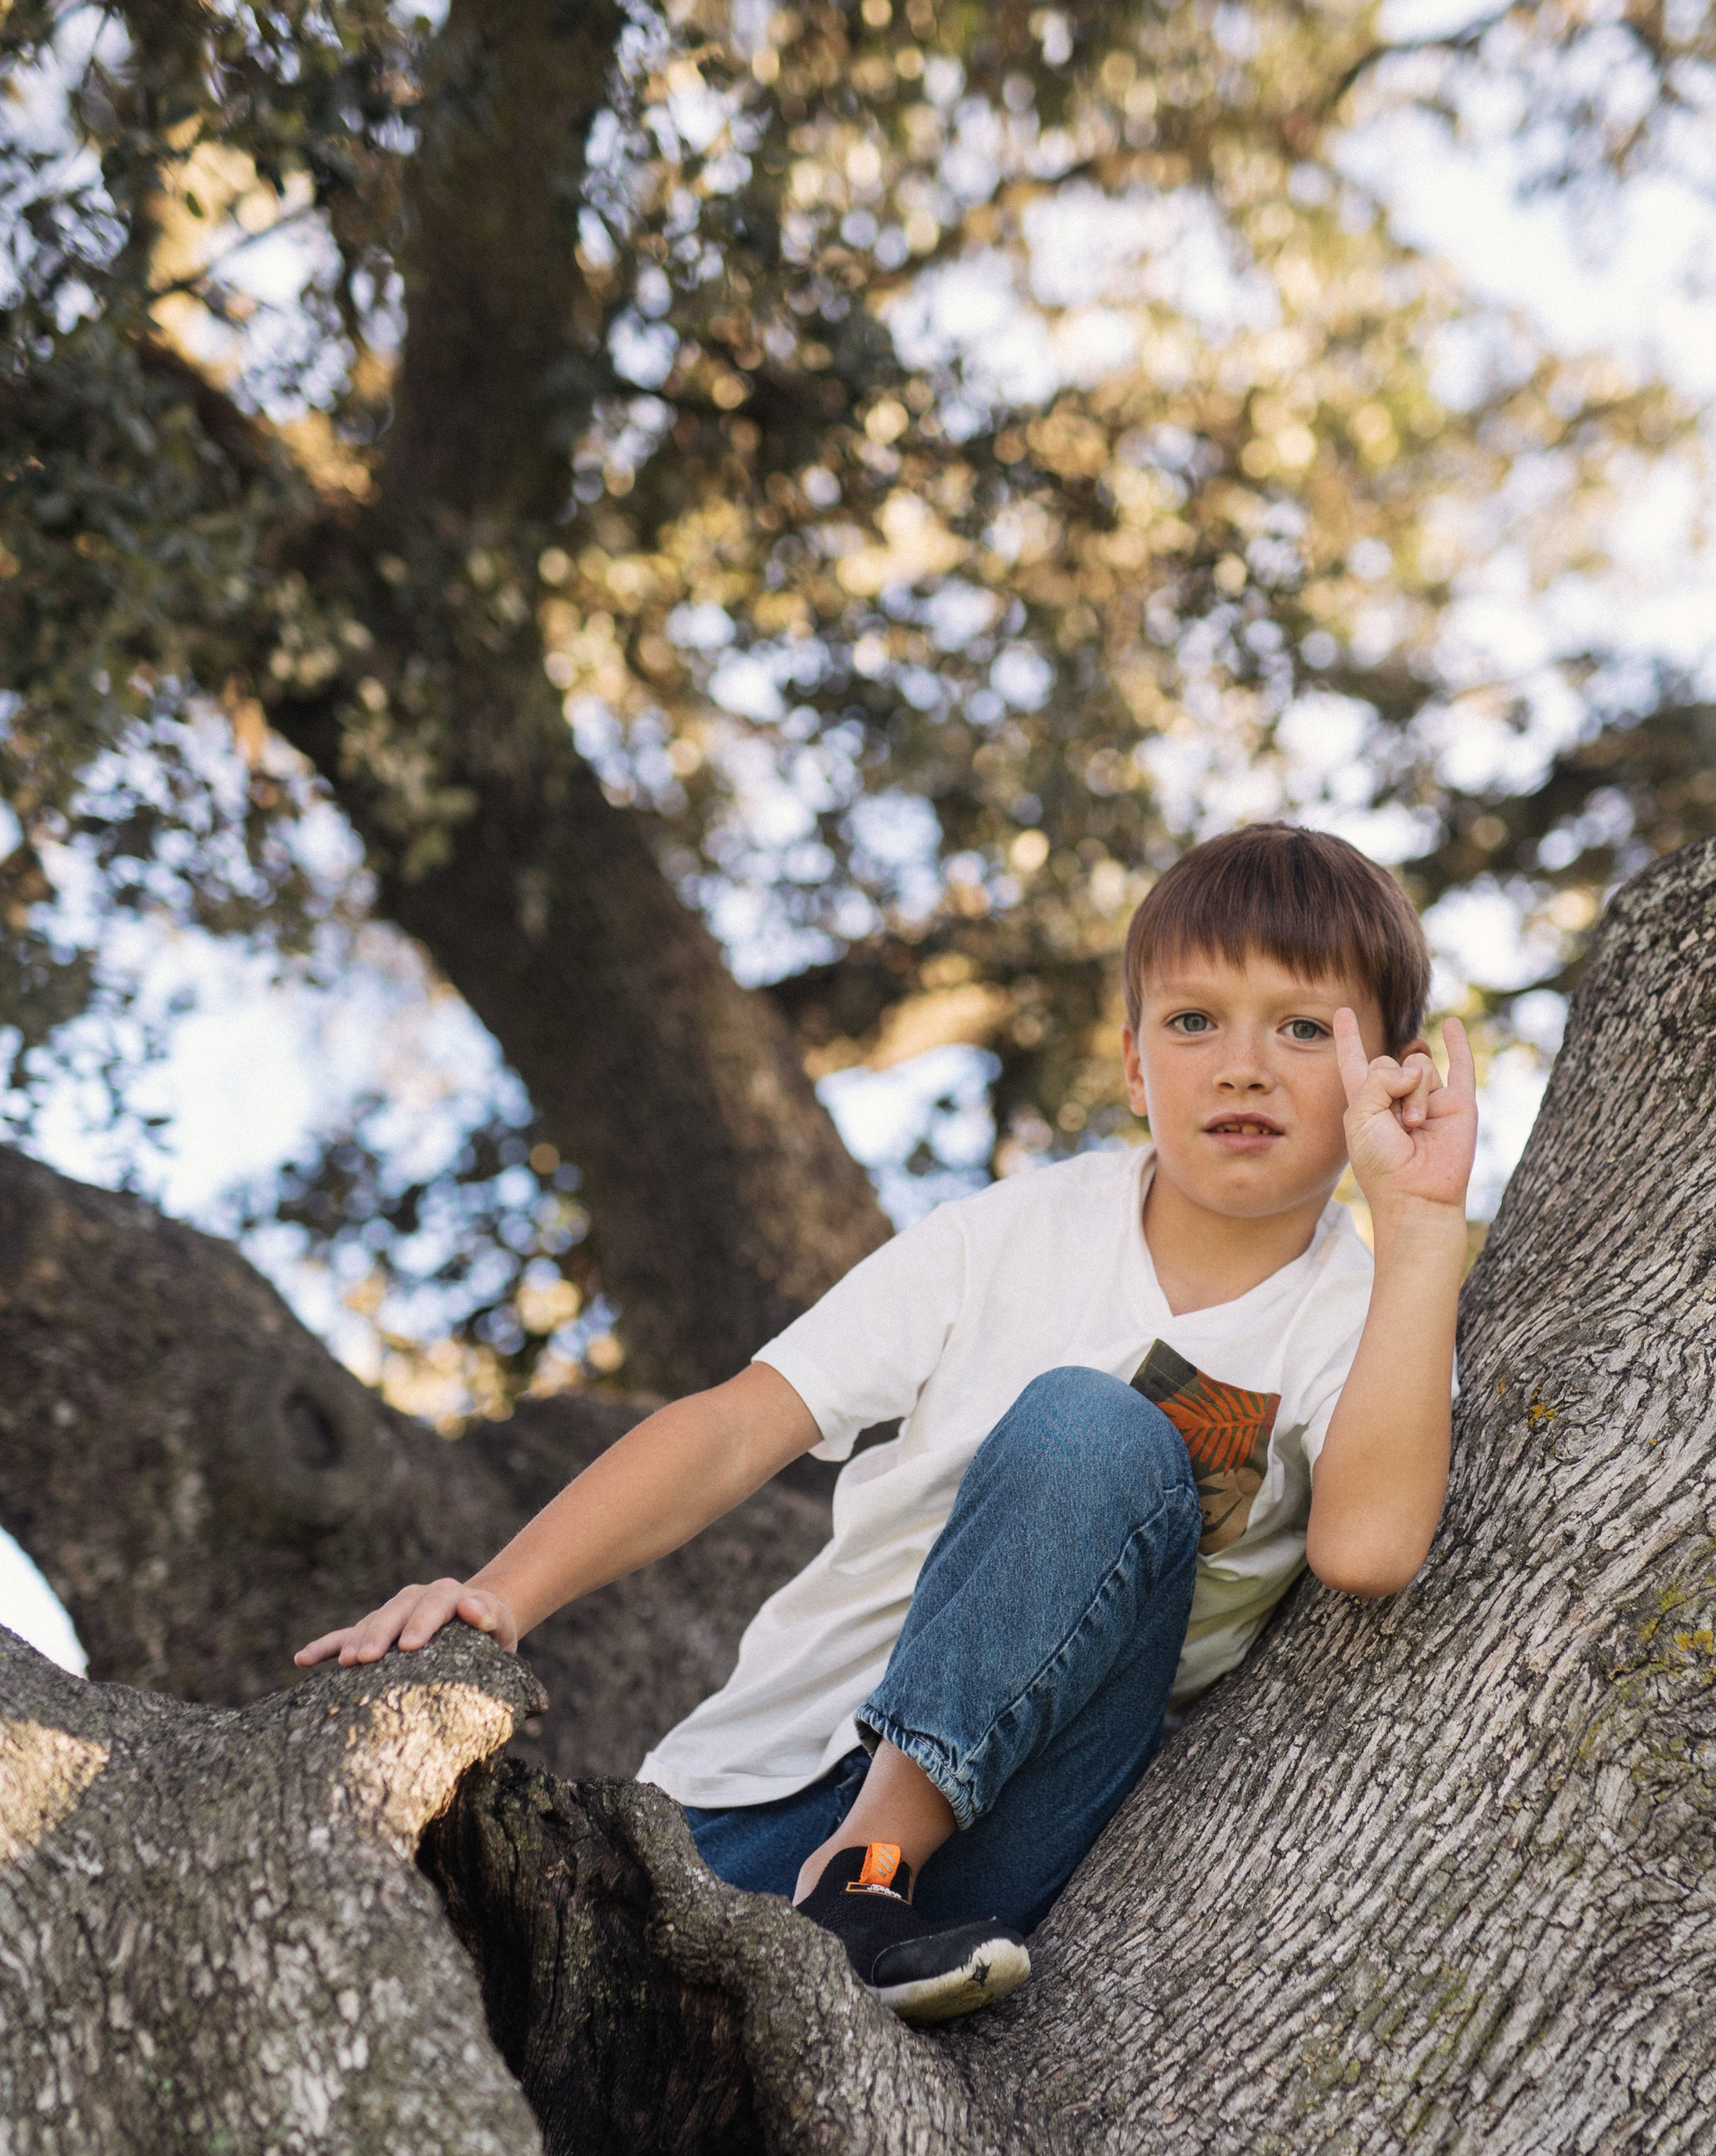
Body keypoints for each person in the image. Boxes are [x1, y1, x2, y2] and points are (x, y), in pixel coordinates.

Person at [298, 826, 1476, 2024]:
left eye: (1304, 1029)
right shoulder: (1009, 1236)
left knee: (1094, 1429)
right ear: (1133, 1068)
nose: (1244, 1067)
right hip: (755, 1797)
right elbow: (737, 1427)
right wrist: (499, 1598)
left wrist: (1425, 1224)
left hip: (1001, 1823)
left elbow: (1369, 1551)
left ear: (1388, 1075)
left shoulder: (1358, 1315)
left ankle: (870, 1871)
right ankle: (833, 1882)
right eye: (1193, 1022)